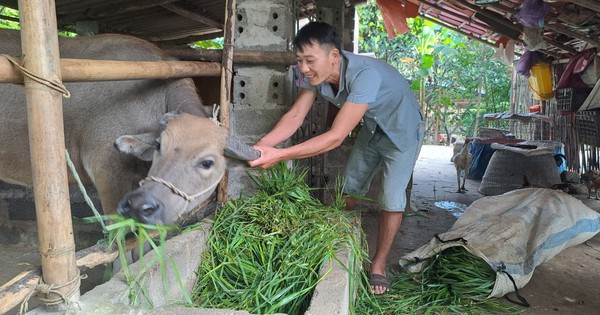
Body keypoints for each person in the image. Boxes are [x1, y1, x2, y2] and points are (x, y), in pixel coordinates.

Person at [248, 21, 424, 295]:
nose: (304, 68)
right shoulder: (313, 77)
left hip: (403, 128)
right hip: (374, 126)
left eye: (309, 60)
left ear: (333, 56)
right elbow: (295, 116)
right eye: (299, 61)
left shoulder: (364, 75)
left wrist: (280, 155)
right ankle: (343, 239)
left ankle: (378, 265)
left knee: (390, 196)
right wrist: (261, 146)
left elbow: (336, 136)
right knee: (349, 188)